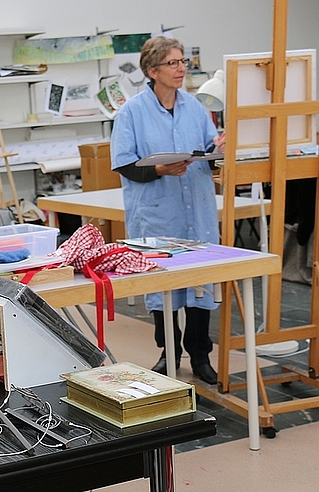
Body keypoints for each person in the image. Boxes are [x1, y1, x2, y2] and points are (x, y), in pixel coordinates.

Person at [110, 36, 226, 384]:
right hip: (158, 211)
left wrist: (217, 151)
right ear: (152, 70)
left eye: (182, 63)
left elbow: (206, 150)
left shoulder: (194, 107)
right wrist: (160, 169)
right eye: (173, 63)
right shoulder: (132, 112)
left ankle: (201, 354)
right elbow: (124, 164)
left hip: (197, 208)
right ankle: (169, 353)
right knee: (164, 287)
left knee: (201, 284)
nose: (181, 69)